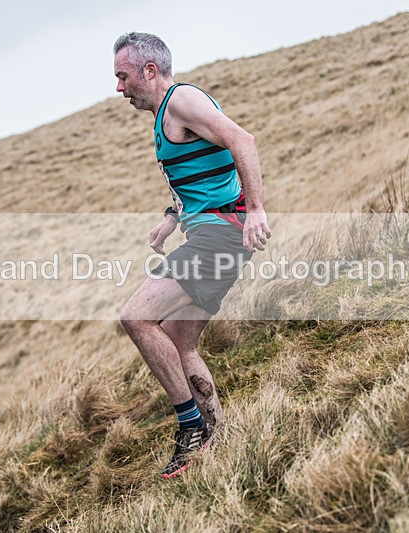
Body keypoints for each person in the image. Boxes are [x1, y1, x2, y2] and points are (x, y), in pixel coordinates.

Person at [113, 32, 271, 479]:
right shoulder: (168, 113)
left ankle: (190, 428)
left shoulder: (181, 100)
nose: (119, 88)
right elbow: (205, 179)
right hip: (216, 235)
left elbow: (243, 140)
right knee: (181, 345)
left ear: (150, 71)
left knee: (136, 317)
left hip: (221, 236)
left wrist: (256, 208)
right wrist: (171, 216)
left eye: (123, 77)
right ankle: (217, 439)